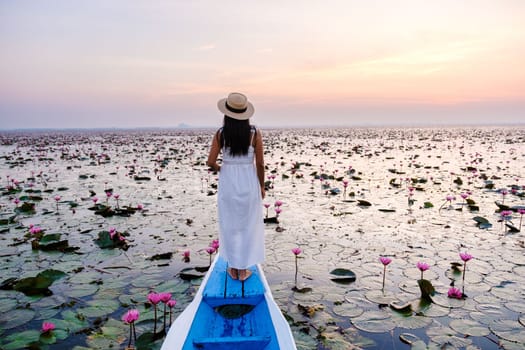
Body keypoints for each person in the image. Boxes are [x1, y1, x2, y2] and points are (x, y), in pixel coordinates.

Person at [207, 92, 266, 281]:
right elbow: (260, 164)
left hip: (229, 182)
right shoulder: (255, 133)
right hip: (249, 181)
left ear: (226, 113)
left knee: (230, 225)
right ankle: (243, 269)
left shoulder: (220, 134)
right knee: (248, 224)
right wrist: (262, 186)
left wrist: (221, 168)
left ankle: (233, 268)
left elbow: (210, 162)